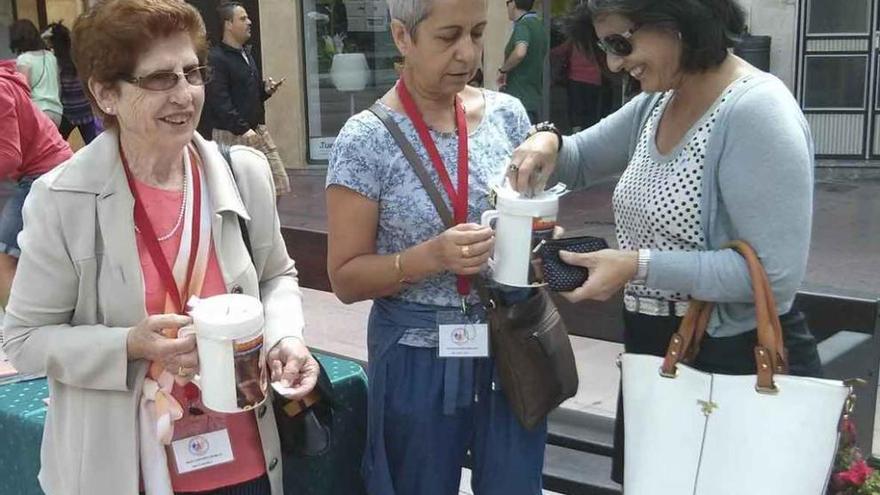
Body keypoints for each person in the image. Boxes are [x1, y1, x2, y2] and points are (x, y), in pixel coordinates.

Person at [1, 1, 319, 494]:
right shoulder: (62, 198)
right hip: (123, 469)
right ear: (105, 93)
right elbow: (24, 341)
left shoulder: (242, 174)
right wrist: (128, 344)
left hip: (245, 460)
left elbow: (277, 276)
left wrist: (285, 338)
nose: (186, 95)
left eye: (192, 73)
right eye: (160, 79)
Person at [508, 0, 822, 485]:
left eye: (620, 43)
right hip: (658, 353)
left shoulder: (756, 110)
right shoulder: (658, 103)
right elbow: (580, 157)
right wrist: (547, 139)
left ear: (677, 19)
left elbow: (773, 279)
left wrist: (638, 266)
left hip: (731, 362)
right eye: (604, 48)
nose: (614, 63)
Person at [326, 0, 547, 493]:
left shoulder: (507, 117)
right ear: (403, 37)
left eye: (477, 32)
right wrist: (429, 258)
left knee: (515, 484)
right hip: (417, 353)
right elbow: (344, 278)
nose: (467, 53)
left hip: (507, 344)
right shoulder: (365, 140)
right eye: (448, 37)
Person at [0, 59, 72, 307]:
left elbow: (8, 158)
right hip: (43, 169)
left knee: (3, 257)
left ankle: (17, 336)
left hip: (45, 171)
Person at [205, 2, 291, 198]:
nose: (249, 22)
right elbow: (220, 102)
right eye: (243, 19)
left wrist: (265, 90)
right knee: (239, 194)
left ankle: (262, 226)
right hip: (231, 135)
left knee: (278, 184)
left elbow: (247, 94)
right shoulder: (216, 58)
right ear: (228, 24)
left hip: (256, 130)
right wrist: (243, 130)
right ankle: (248, 228)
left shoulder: (246, 55)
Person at [44, 22, 101, 144]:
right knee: (94, 144)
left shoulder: (55, 61)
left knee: (55, 145)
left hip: (67, 112)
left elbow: (57, 90)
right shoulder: (80, 56)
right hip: (86, 109)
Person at [497, 0, 548, 124]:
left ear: (513, 3)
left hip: (520, 95)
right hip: (533, 94)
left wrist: (503, 70)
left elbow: (520, 52)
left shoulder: (523, 25)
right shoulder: (539, 25)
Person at [9, 19, 64, 126]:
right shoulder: (51, 56)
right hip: (56, 112)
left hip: (37, 111)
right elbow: (58, 85)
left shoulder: (24, 59)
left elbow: (23, 90)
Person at [550, 39, 602, 132]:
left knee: (575, 108)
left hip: (575, 79)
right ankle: (590, 134)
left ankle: (576, 133)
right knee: (591, 110)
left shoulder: (575, 40)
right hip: (594, 79)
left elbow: (558, 51)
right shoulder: (597, 41)